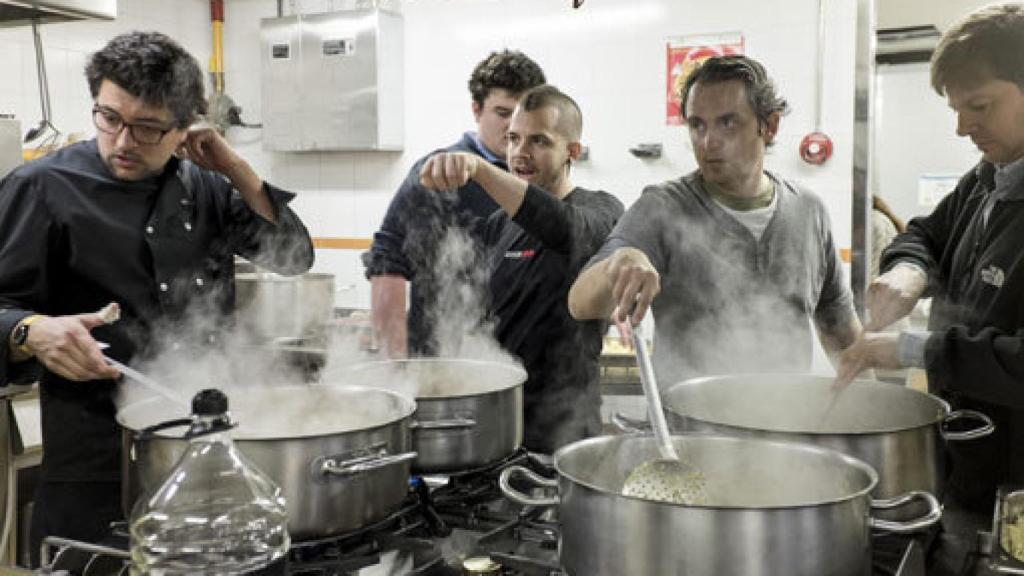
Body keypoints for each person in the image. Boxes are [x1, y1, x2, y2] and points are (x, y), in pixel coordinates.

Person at [0, 31, 314, 561]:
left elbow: (293, 257)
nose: (122, 141)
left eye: (147, 128)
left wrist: (233, 166)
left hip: (207, 456)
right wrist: (30, 330)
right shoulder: (42, 187)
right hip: (96, 464)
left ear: (184, 129)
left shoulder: (208, 187)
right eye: (109, 117)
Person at [568, 55, 860, 384]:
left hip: (784, 423)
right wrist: (619, 263)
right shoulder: (662, 208)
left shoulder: (808, 211)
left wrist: (869, 408)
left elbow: (841, 328)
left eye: (728, 123)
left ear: (769, 125)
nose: (708, 143)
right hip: (690, 430)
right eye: (697, 125)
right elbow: (580, 302)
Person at [837, 3, 1024, 517]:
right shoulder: (987, 179)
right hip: (968, 474)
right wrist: (908, 270)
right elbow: (922, 234)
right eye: (957, 109)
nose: (964, 128)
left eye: (981, 106)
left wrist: (916, 349)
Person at [418, 85, 623, 453]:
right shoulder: (500, 223)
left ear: (571, 152)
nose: (520, 153)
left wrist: (480, 170)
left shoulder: (602, 212)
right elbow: (477, 315)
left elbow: (561, 226)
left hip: (564, 430)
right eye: (513, 139)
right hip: (497, 423)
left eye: (539, 142)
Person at [363, 50, 546, 358]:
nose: (514, 127)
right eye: (502, 113)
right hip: (443, 366)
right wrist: (393, 367)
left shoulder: (541, 182)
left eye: (522, 115)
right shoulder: (437, 173)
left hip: (523, 371)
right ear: (476, 110)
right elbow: (387, 261)